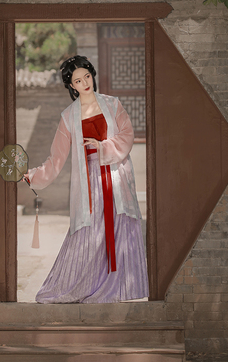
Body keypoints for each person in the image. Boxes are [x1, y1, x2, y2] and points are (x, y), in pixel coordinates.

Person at [25, 55, 149, 303]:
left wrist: (102, 146)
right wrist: (33, 176)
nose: (85, 83)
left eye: (87, 76)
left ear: (92, 75)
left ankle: (119, 286)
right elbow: (56, 158)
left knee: (119, 225)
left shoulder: (112, 104)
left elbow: (127, 134)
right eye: (78, 81)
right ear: (71, 86)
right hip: (90, 181)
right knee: (90, 233)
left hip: (115, 175)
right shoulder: (68, 116)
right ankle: (84, 284)